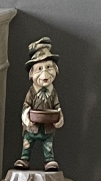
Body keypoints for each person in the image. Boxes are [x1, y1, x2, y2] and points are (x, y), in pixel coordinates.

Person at [15, 38, 64, 171]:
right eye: (40, 69)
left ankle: (49, 161)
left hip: (47, 127)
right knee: (27, 143)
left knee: (48, 145)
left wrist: (59, 117)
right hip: (32, 127)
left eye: (48, 67)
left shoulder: (53, 92)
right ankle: (24, 159)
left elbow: (57, 106)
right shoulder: (32, 92)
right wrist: (26, 116)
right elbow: (26, 105)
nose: (44, 73)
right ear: (32, 73)